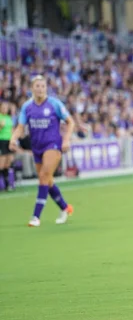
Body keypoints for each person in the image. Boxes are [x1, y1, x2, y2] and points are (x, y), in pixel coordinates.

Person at [9, 75, 75, 227]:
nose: (40, 89)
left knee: (44, 176)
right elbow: (20, 127)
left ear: (46, 88)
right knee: (48, 180)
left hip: (53, 145)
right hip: (36, 147)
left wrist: (66, 139)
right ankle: (65, 208)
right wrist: (13, 138)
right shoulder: (27, 107)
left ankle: (36, 216)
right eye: (37, 86)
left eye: (43, 86)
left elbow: (70, 122)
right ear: (32, 88)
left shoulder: (54, 103)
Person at [0, 101, 15, 191]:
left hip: (8, 141)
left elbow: (11, 130)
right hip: (1, 141)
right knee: (1, 164)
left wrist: (13, 141)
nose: (5, 109)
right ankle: (3, 184)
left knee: (8, 163)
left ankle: (7, 185)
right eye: (3, 107)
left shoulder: (9, 118)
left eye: (6, 107)